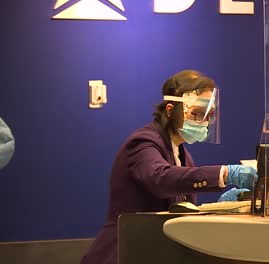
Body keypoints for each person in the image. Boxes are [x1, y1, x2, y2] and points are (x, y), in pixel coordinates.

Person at [81, 70, 257, 264]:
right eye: (197, 113)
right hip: (124, 252)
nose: (204, 121)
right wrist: (224, 173)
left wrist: (221, 208)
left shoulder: (182, 154)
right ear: (171, 110)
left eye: (209, 115)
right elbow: (160, 179)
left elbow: (178, 212)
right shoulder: (143, 142)